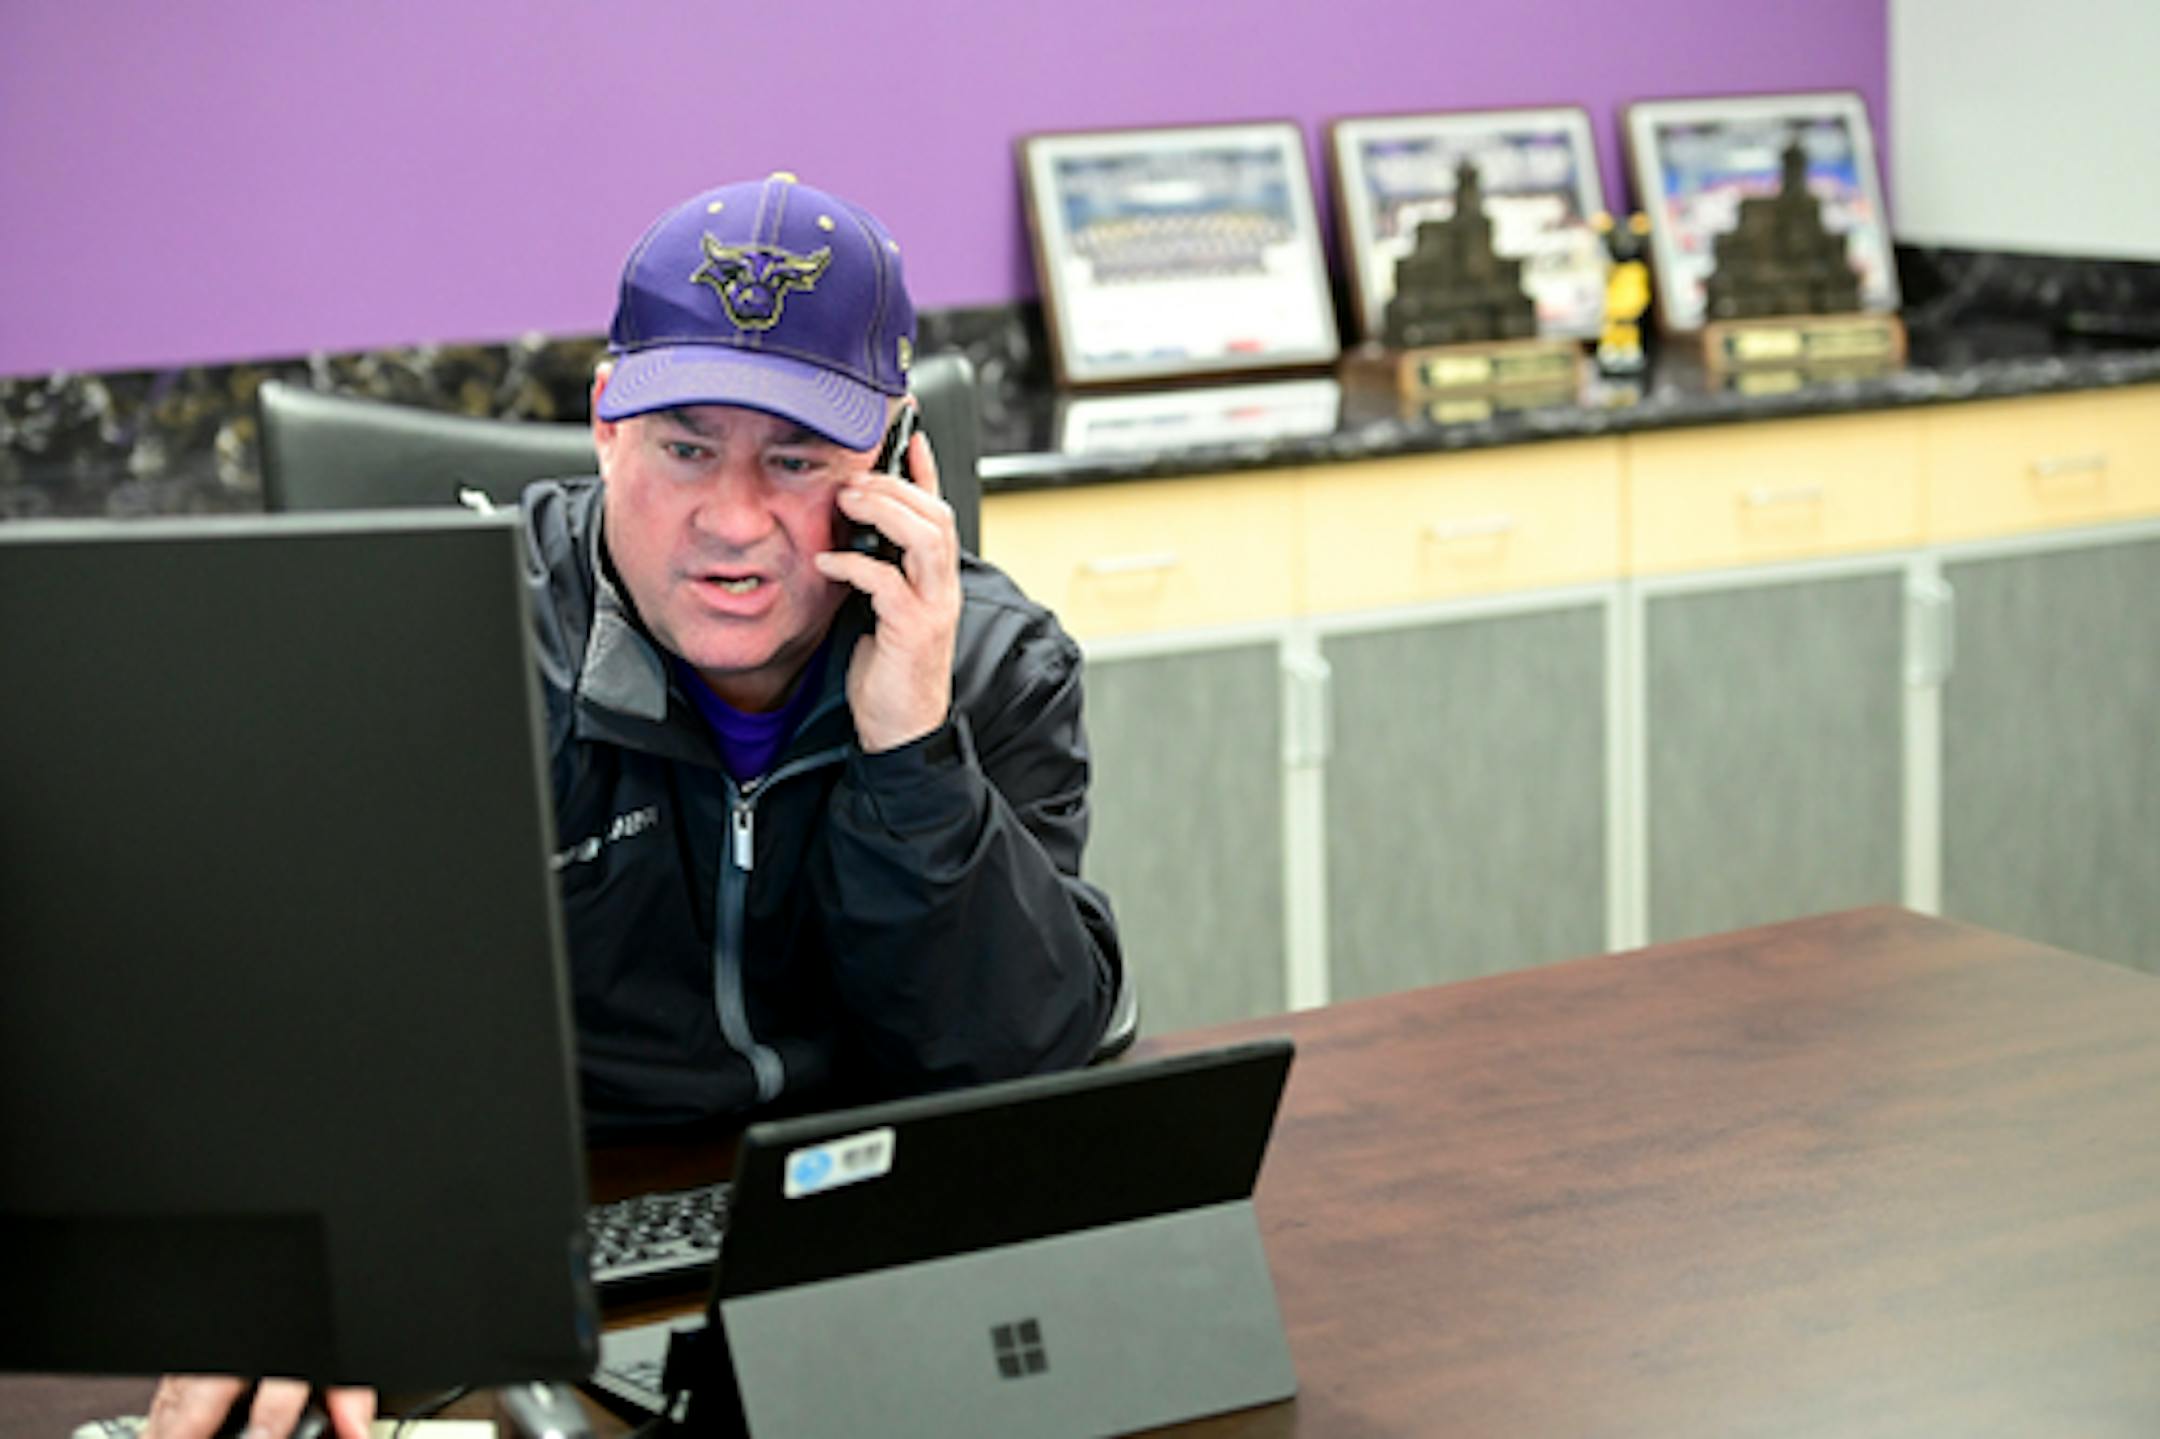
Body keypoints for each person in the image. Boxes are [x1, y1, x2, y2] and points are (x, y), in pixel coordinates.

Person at [145, 172, 1123, 1439]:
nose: (734, 519)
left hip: (857, 1283)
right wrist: (289, 1243)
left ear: (893, 461)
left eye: (796, 458)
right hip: (523, 1276)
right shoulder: (454, 649)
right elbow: (281, 1014)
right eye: (683, 445)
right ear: (606, 419)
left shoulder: (990, 666)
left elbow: (1024, 1077)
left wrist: (913, 747)